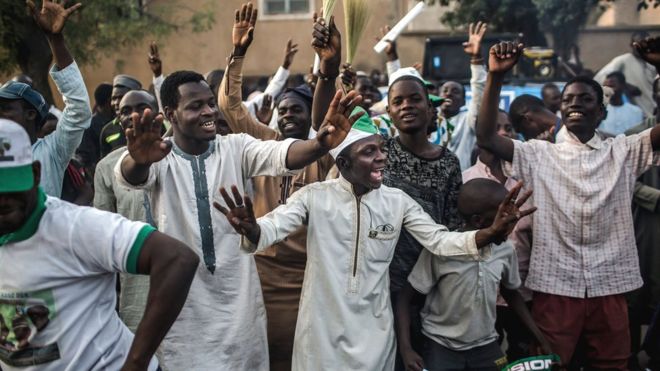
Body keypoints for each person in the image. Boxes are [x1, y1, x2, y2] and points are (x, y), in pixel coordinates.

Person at [114, 5, 362, 368]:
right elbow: (132, 176)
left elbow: (283, 153)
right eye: (195, 106)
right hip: (182, 308)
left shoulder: (236, 147)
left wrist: (322, 143)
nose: (208, 113)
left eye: (208, 105)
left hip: (239, 306)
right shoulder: (157, 156)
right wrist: (139, 159)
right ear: (170, 115)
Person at [214, 116, 536, 371]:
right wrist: (253, 229)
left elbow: (439, 241)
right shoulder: (314, 197)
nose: (382, 157)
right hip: (321, 335)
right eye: (369, 152)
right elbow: (273, 226)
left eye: (381, 148)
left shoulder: (397, 202)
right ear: (343, 164)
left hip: (376, 334)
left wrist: (491, 234)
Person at [476, 39, 660, 368]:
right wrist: (495, 77)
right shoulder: (537, 153)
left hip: (610, 286)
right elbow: (487, 138)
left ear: (601, 112)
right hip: (555, 286)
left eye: (586, 99)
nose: (575, 104)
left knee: (613, 364)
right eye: (568, 99)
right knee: (553, 364)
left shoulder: (623, 151)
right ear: (561, 109)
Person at [0, 118, 198, 370]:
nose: (2, 199)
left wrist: (136, 363)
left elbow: (177, 259)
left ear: (35, 174)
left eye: (11, 186)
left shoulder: (73, 228)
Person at [217, 9, 335, 370]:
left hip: (308, 274)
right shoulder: (264, 143)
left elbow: (326, 117)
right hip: (262, 271)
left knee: (306, 354)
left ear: (308, 115)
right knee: (266, 352)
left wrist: (327, 68)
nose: (286, 115)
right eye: (282, 110)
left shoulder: (325, 151)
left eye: (294, 109)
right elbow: (230, 107)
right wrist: (237, 54)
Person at [396, 179, 550, 371]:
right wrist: (406, 348)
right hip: (441, 345)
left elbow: (511, 293)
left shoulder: (505, 250)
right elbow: (405, 298)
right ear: (478, 220)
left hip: (485, 344)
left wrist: (539, 338)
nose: (511, 224)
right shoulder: (442, 252)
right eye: (503, 218)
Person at [463, 111, 535, 361]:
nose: (504, 133)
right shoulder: (465, 181)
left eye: (508, 128)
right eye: (495, 128)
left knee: (522, 357)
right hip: (479, 296)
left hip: (522, 292)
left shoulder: (526, 183)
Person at [0, 0, 91, 198]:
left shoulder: (52, 151)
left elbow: (79, 109)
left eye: (6, 108)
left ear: (30, 114)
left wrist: (55, 40)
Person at [95, 90, 160, 334]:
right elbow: (103, 230)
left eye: (141, 107)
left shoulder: (175, 153)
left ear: (157, 113)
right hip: (135, 278)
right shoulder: (106, 167)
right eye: (124, 111)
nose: (132, 115)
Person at [625, 76, 660, 370]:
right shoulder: (636, 134)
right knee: (636, 296)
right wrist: (654, 197)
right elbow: (621, 179)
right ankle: (630, 355)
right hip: (644, 225)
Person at [432, 22, 488, 170]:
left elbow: (479, 95)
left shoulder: (467, 122)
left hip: (461, 186)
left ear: (464, 101)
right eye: (445, 90)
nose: (449, 93)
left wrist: (476, 59)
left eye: (455, 91)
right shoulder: (427, 121)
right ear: (437, 96)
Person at [595, 31, 657, 117]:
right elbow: (600, 79)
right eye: (638, 43)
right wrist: (624, 86)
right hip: (636, 113)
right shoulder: (623, 60)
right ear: (632, 45)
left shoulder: (652, 63)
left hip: (654, 111)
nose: (642, 46)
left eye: (645, 43)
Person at [99, 74, 142, 158]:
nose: (116, 103)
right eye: (114, 98)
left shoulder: (149, 125)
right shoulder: (107, 130)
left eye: (121, 97)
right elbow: (104, 165)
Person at [77, 82, 113, 170]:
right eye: (114, 98)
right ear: (109, 101)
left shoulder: (116, 120)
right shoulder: (89, 126)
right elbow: (87, 158)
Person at [599, 71, 644, 136]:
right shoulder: (599, 111)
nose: (608, 90)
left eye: (611, 86)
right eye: (605, 87)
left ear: (623, 86)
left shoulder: (636, 111)